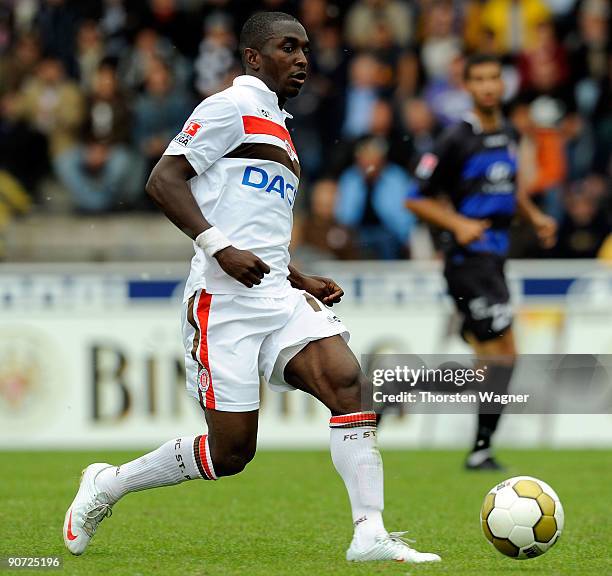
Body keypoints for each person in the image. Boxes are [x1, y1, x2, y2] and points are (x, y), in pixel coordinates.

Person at [62, 11, 441, 565]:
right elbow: (162, 180)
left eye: (306, 48)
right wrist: (219, 247)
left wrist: (299, 275)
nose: (302, 59)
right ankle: (108, 483)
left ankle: (369, 533)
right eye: (288, 47)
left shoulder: (281, 127)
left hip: (277, 297)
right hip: (223, 304)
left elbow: (257, 233)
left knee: (346, 381)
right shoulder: (228, 107)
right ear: (253, 57)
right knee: (232, 452)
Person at [406, 54, 557, 470]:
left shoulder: (508, 131)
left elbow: (510, 188)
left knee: (489, 360)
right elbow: (415, 197)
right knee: (503, 355)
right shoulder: (455, 138)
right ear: (468, 87)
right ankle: (481, 449)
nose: (488, 86)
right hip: (468, 260)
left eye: (494, 78)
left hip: (493, 257)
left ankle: (404, 391)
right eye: (479, 79)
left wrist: (535, 215)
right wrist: (458, 223)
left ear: (502, 85)